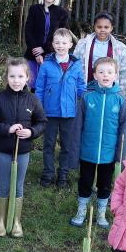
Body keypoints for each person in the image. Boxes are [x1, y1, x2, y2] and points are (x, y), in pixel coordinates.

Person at [0, 58, 47, 237]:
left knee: (18, 185)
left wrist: (31, 132)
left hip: (23, 151)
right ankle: (1, 221)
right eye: (12, 76)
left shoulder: (33, 100)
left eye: (20, 76)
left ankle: (16, 221)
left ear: (27, 78)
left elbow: (42, 122)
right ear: (6, 77)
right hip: (2, 149)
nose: (16, 80)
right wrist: (6, 129)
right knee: (4, 184)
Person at [70, 58, 126, 230]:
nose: (105, 75)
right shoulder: (87, 97)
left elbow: (124, 130)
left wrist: (121, 155)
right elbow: (77, 127)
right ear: (95, 75)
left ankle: (101, 213)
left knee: (105, 183)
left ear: (116, 75)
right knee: (85, 181)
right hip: (87, 151)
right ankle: (81, 211)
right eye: (101, 72)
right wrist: (75, 151)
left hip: (108, 154)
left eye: (110, 72)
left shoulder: (121, 100)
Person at [34, 28, 86, 189]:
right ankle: (48, 173)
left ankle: (63, 174)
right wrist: (39, 109)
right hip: (49, 112)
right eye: (57, 43)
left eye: (64, 43)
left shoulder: (76, 65)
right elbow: (39, 89)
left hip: (69, 113)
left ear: (70, 44)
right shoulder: (46, 65)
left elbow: (81, 87)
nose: (60, 46)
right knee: (48, 144)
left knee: (66, 145)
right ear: (52, 44)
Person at [24, 0, 70, 89]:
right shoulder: (34, 9)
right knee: (33, 87)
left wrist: (44, 49)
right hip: (33, 55)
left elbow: (62, 35)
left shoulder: (62, 13)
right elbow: (28, 31)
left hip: (51, 55)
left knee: (49, 88)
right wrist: (36, 52)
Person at [73, 11, 126, 95]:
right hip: (86, 89)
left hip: (110, 92)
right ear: (94, 27)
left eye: (106, 27)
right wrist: (77, 88)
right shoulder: (83, 44)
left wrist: (121, 93)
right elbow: (75, 66)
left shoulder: (120, 48)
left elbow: (124, 71)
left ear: (111, 28)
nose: (102, 30)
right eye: (99, 27)